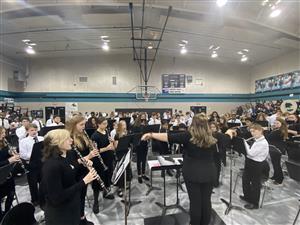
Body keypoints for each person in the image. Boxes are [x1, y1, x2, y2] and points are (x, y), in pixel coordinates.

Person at [141, 113, 217, 225]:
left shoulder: (188, 135)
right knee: (206, 201)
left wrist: (151, 134)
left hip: (193, 173)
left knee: (195, 202)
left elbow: (168, 137)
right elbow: (227, 137)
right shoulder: (212, 137)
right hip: (210, 172)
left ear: (194, 124)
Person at [40, 129, 97, 225]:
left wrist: (82, 162)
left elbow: (70, 167)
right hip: (61, 214)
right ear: (57, 143)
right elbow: (57, 198)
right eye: (67, 139)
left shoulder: (68, 154)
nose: (71, 140)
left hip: (72, 204)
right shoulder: (51, 166)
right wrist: (84, 181)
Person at [227, 124, 269, 209]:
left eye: (254, 131)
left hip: (257, 165)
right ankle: (247, 196)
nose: (252, 133)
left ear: (260, 131)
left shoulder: (263, 143)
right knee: (245, 180)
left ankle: (254, 203)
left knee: (255, 184)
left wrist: (244, 142)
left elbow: (251, 153)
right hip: (250, 162)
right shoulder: (256, 140)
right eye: (251, 132)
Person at [65, 115, 98, 222]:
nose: (84, 127)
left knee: (82, 195)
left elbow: (85, 152)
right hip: (75, 172)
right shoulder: (69, 139)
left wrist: (91, 151)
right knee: (77, 196)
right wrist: (89, 156)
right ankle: (78, 218)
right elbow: (71, 161)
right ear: (74, 125)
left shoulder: (83, 135)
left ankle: (81, 216)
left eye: (84, 124)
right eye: (81, 124)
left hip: (84, 169)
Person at [91, 117, 115, 211]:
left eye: (106, 123)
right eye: (104, 124)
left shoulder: (106, 132)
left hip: (108, 159)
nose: (106, 125)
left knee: (107, 177)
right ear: (98, 124)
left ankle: (105, 193)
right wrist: (107, 148)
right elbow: (95, 151)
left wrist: (112, 143)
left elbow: (110, 145)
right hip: (99, 162)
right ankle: (96, 202)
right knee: (98, 182)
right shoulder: (94, 136)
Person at [19, 123, 44, 206]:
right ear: (27, 131)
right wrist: (33, 155)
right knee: (33, 183)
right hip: (31, 164)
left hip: (41, 163)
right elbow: (22, 155)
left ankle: (42, 197)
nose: (34, 132)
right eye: (32, 130)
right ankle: (35, 199)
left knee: (43, 181)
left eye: (35, 130)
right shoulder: (23, 141)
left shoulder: (41, 138)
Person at [0, 127, 20, 221]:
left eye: (4, 132)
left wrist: (12, 154)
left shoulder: (3, 142)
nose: (4, 135)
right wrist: (9, 160)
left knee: (11, 192)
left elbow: (4, 155)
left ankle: (7, 212)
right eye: (2, 133)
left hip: (6, 174)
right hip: (1, 176)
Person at [266, 117, 288, 185]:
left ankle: (279, 179)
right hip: (273, 148)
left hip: (277, 149)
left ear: (282, 124)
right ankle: (275, 176)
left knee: (277, 164)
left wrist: (268, 130)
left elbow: (268, 137)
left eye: (277, 123)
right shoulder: (277, 130)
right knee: (274, 163)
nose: (275, 124)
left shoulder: (279, 131)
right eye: (275, 123)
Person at [113, 120, 132, 197]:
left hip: (127, 152)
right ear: (120, 126)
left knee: (126, 169)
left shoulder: (127, 133)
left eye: (125, 124)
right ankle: (119, 188)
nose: (125, 126)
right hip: (120, 154)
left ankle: (124, 184)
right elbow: (116, 147)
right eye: (123, 124)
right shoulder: (117, 135)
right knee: (121, 171)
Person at [132, 114, 149, 184]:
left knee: (144, 159)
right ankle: (139, 175)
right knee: (139, 160)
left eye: (144, 118)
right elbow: (135, 135)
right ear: (139, 118)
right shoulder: (136, 126)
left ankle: (143, 174)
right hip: (139, 144)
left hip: (145, 144)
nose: (143, 119)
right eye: (142, 118)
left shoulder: (146, 125)